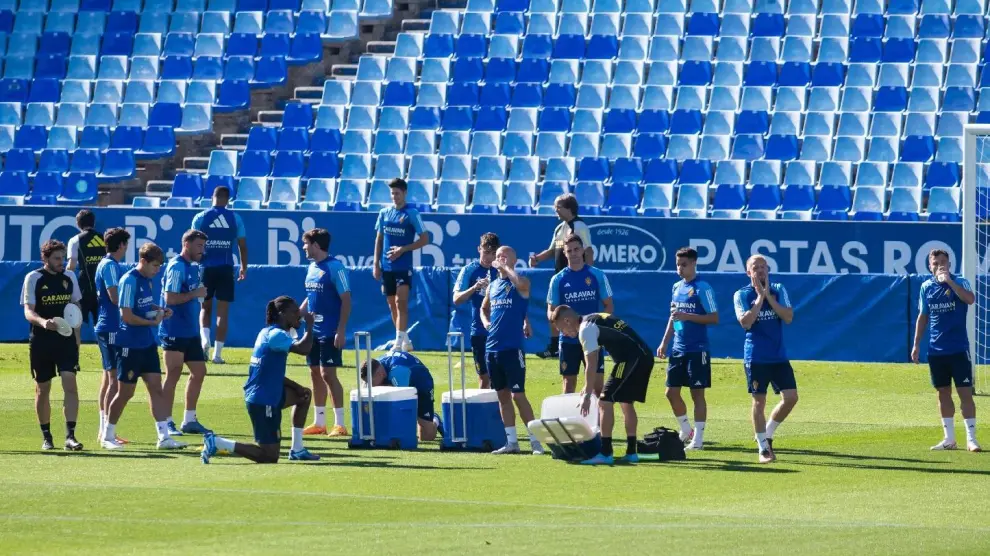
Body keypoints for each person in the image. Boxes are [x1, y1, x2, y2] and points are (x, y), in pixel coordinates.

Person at [201, 296, 320, 463]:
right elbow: (304, 349)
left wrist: (297, 387)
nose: (298, 315)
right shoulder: (276, 335)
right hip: (264, 400)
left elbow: (269, 371)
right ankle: (218, 442)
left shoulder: (268, 332)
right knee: (269, 456)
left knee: (304, 395)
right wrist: (310, 326)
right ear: (282, 314)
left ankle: (297, 449)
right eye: (294, 312)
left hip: (268, 392)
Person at [101, 243, 185, 451]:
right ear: (144, 261)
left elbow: (145, 306)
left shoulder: (147, 281)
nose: (157, 270)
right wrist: (152, 322)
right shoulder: (129, 280)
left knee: (156, 388)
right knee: (125, 393)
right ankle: (107, 435)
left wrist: (160, 310)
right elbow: (126, 316)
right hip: (129, 345)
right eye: (155, 266)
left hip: (147, 344)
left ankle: (163, 437)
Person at [552, 308, 655, 465]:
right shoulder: (591, 319)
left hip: (630, 360)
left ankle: (606, 453)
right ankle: (631, 453)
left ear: (567, 321)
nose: (564, 334)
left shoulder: (585, 330)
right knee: (626, 403)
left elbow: (591, 364)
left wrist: (587, 393)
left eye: (561, 329)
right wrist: (587, 386)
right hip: (642, 356)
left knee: (604, 401)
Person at [911, 249, 981, 452]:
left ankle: (971, 438)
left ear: (949, 264)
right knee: (942, 393)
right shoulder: (926, 287)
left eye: (943, 262)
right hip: (936, 350)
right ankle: (949, 439)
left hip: (958, 349)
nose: (939, 265)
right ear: (929, 266)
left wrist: (949, 281)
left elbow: (970, 299)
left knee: (965, 393)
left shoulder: (960, 281)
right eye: (935, 262)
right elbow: (923, 316)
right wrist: (916, 344)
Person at [733, 255, 797, 464]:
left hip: (778, 356)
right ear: (748, 272)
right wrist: (760, 298)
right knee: (759, 401)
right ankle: (762, 448)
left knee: (791, 398)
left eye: (763, 267)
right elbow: (746, 323)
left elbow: (788, 317)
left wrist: (768, 296)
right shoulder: (741, 294)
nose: (760, 271)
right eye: (755, 268)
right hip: (756, 357)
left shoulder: (779, 289)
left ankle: (767, 433)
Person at [21, 240, 84, 451]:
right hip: (41, 340)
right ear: (45, 258)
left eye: (63, 257)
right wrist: (43, 322)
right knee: (43, 388)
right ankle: (47, 436)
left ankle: (70, 436)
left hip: (65, 340)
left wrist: (77, 337)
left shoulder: (70, 276)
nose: (62, 262)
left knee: (70, 383)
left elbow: (75, 308)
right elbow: (28, 311)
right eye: (57, 258)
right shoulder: (34, 278)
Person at [480, 246, 542, 455]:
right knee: (502, 396)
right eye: (498, 256)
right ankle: (511, 442)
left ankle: (535, 441)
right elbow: (483, 308)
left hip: (512, 348)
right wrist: (486, 323)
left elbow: (521, 286)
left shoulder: (520, 281)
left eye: (505, 256)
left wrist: (507, 268)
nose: (500, 259)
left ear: (514, 260)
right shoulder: (493, 286)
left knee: (518, 395)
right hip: (492, 348)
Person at [656, 247, 719, 450]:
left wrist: (688, 316)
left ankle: (698, 439)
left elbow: (714, 318)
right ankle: (686, 429)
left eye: (684, 265)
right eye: (677, 265)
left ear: (693, 264)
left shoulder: (703, 287)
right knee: (670, 392)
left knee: (697, 394)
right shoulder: (676, 287)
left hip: (697, 349)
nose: (680, 269)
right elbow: (674, 318)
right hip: (678, 347)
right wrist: (665, 342)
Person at [298, 228, 352, 438]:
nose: (303, 247)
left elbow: (346, 299)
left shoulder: (335, 267)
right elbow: (310, 296)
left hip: (330, 330)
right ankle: (319, 422)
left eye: (306, 244)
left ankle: (340, 424)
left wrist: (341, 329)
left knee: (327, 374)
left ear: (316, 245)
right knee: (314, 373)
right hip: (313, 330)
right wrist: (298, 315)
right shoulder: (311, 268)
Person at [160, 230, 212, 437]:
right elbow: (170, 298)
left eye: (203, 246)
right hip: (173, 329)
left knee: (199, 372)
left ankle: (189, 419)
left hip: (190, 330)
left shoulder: (192, 267)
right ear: (186, 245)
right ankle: (166, 421)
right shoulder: (176, 266)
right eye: (199, 246)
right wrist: (195, 294)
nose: (202, 250)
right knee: (172, 374)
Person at [528, 193, 594, 360]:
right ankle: (554, 346)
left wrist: (588, 274)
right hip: (560, 277)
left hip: (576, 277)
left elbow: (588, 251)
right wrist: (537, 259)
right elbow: (552, 251)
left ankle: (583, 344)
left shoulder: (579, 226)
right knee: (554, 310)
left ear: (569, 209)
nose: (555, 210)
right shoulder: (560, 228)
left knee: (576, 311)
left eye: (558, 207)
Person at [546, 233, 613, 395]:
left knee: (597, 388)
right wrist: (561, 324)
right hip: (568, 340)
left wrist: (598, 328)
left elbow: (609, 306)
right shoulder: (558, 279)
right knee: (568, 387)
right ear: (565, 253)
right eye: (569, 251)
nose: (574, 253)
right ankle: (570, 421)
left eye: (576, 249)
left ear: (583, 250)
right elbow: (550, 311)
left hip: (593, 338)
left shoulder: (597, 275)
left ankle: (596, 421)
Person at [192, 185, 248, 364]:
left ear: (212, 197)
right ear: (228, 199)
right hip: (226, 267)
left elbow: (190, 243)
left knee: (204, 308)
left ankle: (204, 340)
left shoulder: (201, 217)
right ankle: (217, 355)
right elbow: (242, 246)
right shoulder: (235, 218)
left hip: (205, 268)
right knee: (222, 313)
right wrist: (243, 267)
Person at [373, 178, 430, 352]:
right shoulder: (384, 213)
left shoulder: (412, 213)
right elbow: (379, 238)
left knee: (401, 302)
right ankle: (404, 338)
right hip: (387, 266)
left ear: (404, 193)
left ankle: (398, 342)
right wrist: (376, 263)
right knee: (391, 303)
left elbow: (425, 239)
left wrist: (403, 249)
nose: (394, 196)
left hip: (403, 266)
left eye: (397, 193)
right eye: (392, 193)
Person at [94, 227, 130, 446]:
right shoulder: (110, 266)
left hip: (107, 326)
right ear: (122, 245)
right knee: (114, 381)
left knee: (108, 379)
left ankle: (104, 430)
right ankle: (107, 433)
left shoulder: (105, 264)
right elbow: (115, 297)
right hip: (111, 327)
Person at [452, 232, 501, 389]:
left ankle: (499, 412)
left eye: (493, 254)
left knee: (500, 379)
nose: (489, 258)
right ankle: (484, 412)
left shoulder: (501, 270)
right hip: (479, 330)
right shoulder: (470, 270)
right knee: (484, 379)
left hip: (500, 330)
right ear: (479, 249)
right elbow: (456, 299)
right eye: (486, 252)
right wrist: (474, 287)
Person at [361, 352, 443, 441]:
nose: (370, 386)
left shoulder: (398, 371)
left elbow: (401, 404)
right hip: (399, 382)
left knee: (427, 437)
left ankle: (435, 419)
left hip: (422, 385)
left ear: (381, 374)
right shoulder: (374, 368)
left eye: (371, 383)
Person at [66, 209, 104, 330]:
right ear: (94, 223)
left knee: (76, 322)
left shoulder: (75, 240)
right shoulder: (104, 238)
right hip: (103, 287)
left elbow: (71, 266)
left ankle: (75, 347)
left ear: (78, 223)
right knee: (101, 323)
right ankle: (104, 348)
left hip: (84, 287)